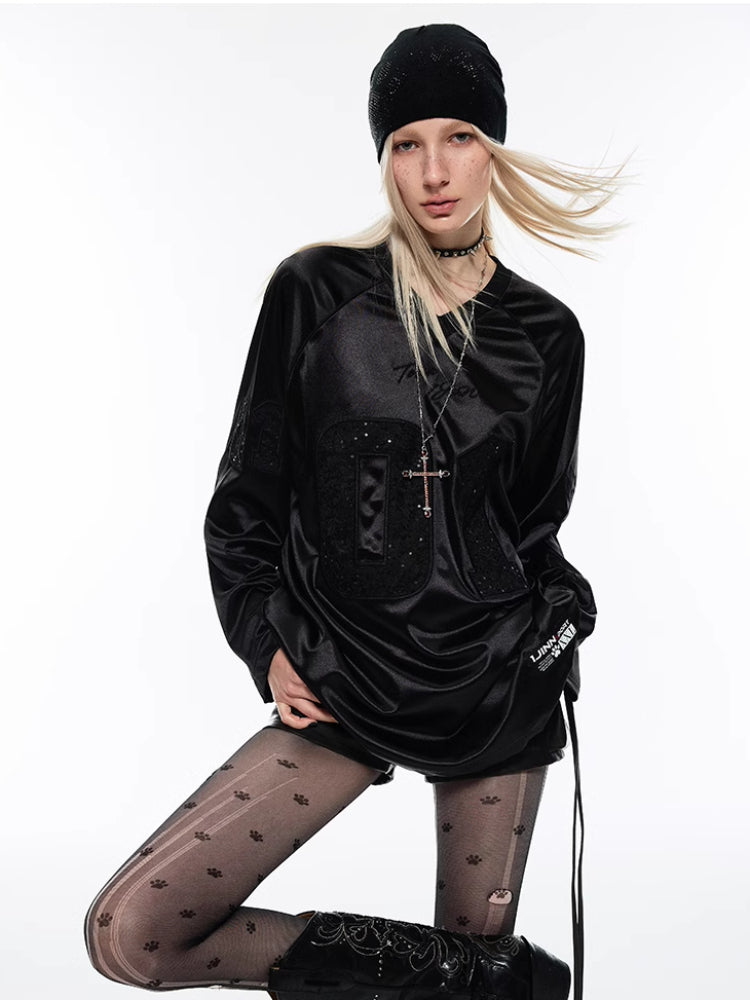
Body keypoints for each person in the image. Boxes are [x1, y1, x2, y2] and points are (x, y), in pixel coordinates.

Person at [84, 23, 629, 1000]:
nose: (435, 171)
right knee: (134, 933)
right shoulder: (318, 293)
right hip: (341, 672)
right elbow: (245, 500)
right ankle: (495, 978)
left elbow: (532, 525)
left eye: (460, 137)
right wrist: (266, 644)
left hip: (493, 683)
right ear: (383, 156)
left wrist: (558, 624)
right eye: (407, 143)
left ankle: (483, 976)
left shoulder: (549, 334)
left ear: (494, 149)